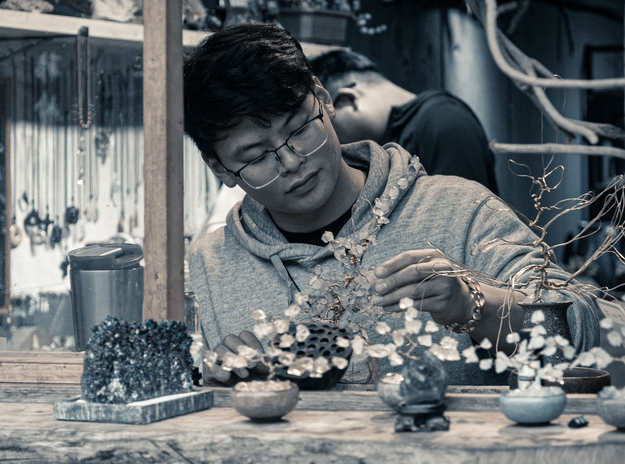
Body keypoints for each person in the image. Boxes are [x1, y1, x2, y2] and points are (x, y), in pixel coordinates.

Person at [183, 23, 599, 386]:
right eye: (257, 156)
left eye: (300, 129)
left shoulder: (458, 210)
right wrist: (220, 389)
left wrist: (475, 304)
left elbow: (580, 329)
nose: (292, 162)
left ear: (324, 98)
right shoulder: (210, 265)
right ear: (220, 168)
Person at [309, 49, 500, 195]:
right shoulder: (409, 129)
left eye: (331, 125)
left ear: (347, 99)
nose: (338, 142)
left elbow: (460, 217)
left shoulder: (443, 122)